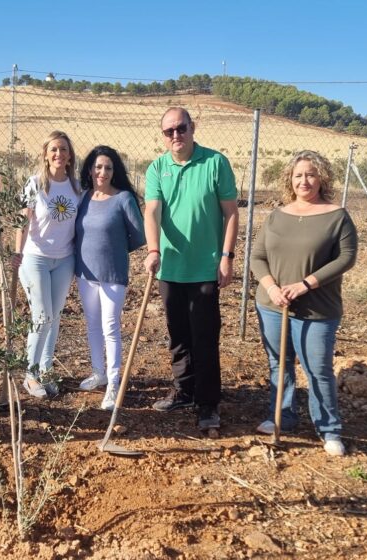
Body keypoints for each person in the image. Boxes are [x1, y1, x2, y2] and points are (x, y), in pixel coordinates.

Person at [251, 150, 357, 456]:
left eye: (310, 174)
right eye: (298, 175)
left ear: (321, 178)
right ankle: (281, 417)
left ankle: (329, 429)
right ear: (290, 179)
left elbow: (346, 257)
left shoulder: (337, 216)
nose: (304, 181)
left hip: (317, 308)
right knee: (279, 364)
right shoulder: (276, 216)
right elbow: (258, 257)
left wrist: (305, 284)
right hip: (272, 304)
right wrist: (271, 287)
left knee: (317, 368)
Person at [143, 107, 239, 430]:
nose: (175, 136)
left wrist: (227, 256)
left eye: (180, 128)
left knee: (205, 337)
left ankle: (208, 402)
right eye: (168, 131)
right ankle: (184, 390)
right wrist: (153, 249)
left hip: (205, 269)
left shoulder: (215, 163)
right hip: (170, 268)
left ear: (192, 127)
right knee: (179, 335)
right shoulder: (157, 168)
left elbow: (231, 213)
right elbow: (152, 211)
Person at [13, 131, 83, 398]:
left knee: (54, 317)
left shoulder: (76, 188)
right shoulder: (35, 184)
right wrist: (17, 253)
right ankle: (30, 375)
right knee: (41, 316)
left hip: (64, 259)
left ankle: (46, 370)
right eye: (54, 149)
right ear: (45, 154)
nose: (58, 154)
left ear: (69, 156)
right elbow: (22, 221)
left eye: (63, 149)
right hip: (35, 258)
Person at [74, 145, 145, 410]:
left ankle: (114, 384)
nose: (102, 172)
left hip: (113, 274)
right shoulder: (83, 197)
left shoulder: (123, 198)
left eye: (108, 168)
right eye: (98, 167)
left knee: (110, 327)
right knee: (92, 325)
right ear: (90, 169)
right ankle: (98, 372)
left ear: (115, 172)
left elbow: (139, 235)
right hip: (85, 273)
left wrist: (115, 248)